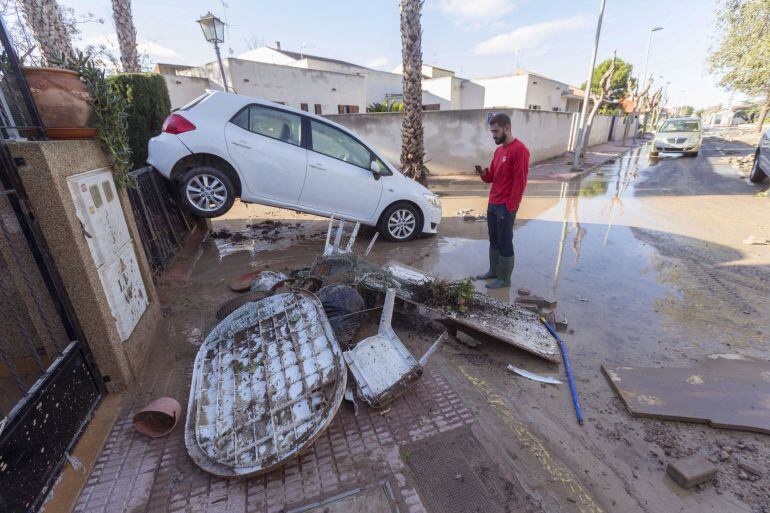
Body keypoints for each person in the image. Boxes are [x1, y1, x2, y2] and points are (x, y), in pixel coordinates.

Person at [474, 113, 530, 289]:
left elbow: (520, 182)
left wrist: (511, 207)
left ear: (507, 128)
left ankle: (505, 279)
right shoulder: (498, 151)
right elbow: (492, 176)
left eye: (496, 131)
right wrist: (483, 174)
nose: (493, 135)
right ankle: (494, 271)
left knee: (505, 241)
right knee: (493, 239)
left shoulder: (520, 150)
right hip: (493, 203)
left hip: (506, 206)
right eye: (491, 131)